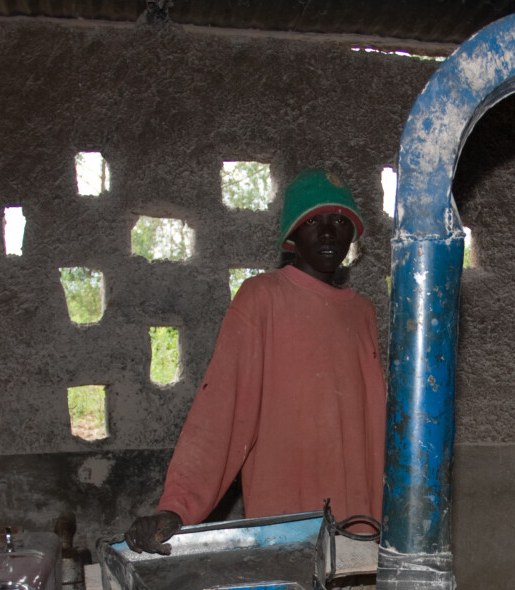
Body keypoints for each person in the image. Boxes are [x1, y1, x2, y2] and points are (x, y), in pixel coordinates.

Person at [125, 168, 387, 555]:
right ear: (292, 236)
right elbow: (222, 409)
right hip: (288, 532)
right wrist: (178, 507)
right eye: (313, 221)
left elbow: (377, 429)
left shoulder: (362, 313)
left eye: (340, 221)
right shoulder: (261, 299)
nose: (329, 232)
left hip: (359, 531)